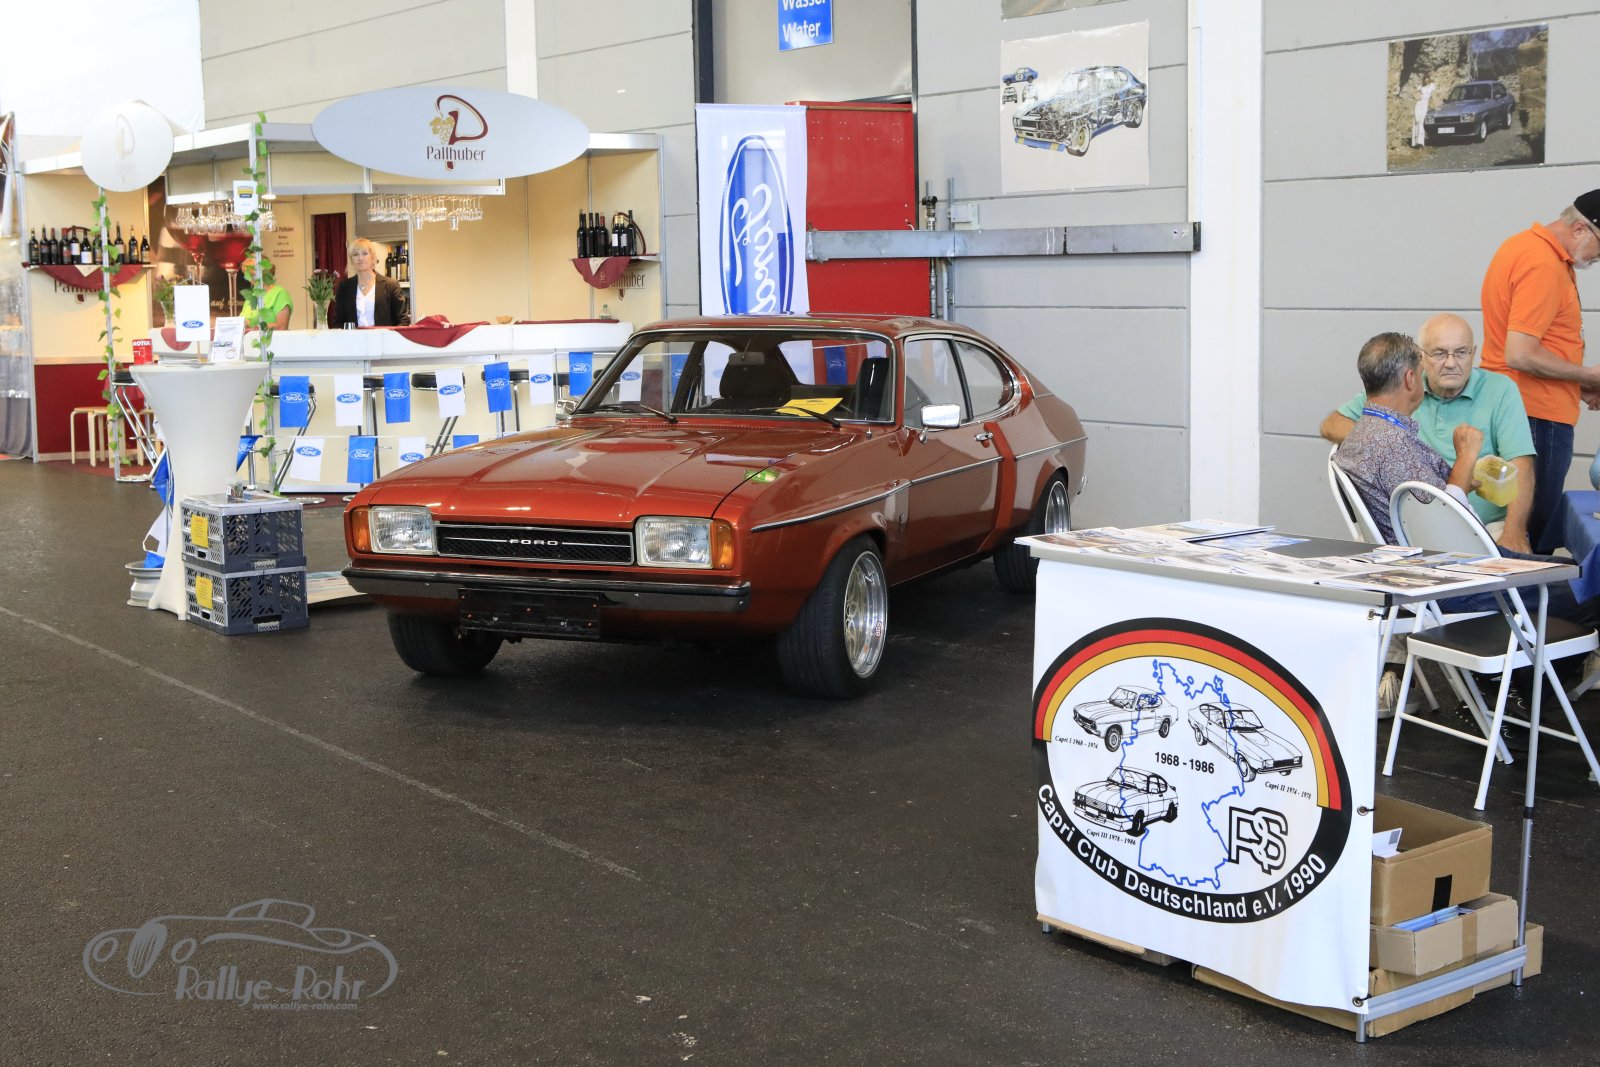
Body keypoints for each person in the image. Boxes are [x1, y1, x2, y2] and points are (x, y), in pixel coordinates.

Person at [1319, 313, 1535, 551]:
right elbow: (1443, 520)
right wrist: (1393, 447)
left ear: (1473, 353)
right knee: (1556, 571)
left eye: (1461, 352)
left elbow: (1521, 465)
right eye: (1440, 353)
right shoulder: (1396, 392)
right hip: (1426, 536)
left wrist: (1514, 533)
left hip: (1475, 526)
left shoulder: (1500, 389)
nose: (1451, 363)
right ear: (1420, 359)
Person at [1479, 191, 1600, 550]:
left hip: (1519, 408)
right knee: (1528, 538)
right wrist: (1588, 376)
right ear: (1580, 228)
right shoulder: (1543, 265)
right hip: (1536, 416)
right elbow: (1520, 353)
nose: (1598, 258)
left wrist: (1578, 386)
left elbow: (1535, 346)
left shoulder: (1523, 247)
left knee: (1515, 531)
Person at [1332, 332, 1481, 545]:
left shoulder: (1359, 432)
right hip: (1447, 557)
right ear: (1410, 379)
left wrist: (1460, 478)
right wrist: (1466, 456)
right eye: (1421, 373)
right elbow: (1444, 521)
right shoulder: (1394, 444)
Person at [328, 238, 407, 328]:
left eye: (365, 253)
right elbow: (338, 322)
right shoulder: (344, 287)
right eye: (355, 254)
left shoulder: (391, 285)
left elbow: (403, 320)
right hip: (353, 337)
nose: (360, 258)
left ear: (373, 258)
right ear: (351, 260)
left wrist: (389, 335)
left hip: (383, 337)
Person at [241, 256, 292, 330]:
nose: (249, 278)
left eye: (252, 274)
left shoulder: (280, 293)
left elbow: (281, 326)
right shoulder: (252, 296)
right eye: (247, 274)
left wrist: (254, 327)